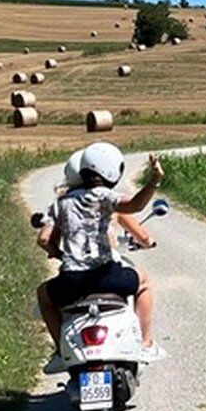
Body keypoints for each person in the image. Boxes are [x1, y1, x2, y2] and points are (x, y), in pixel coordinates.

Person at [36, 142, 166, 365]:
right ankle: (145, 344)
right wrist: (153, 181)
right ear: (111, 169)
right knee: (144, 282)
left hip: (71, 281)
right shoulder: (104, 196)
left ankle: (60, 352)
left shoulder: (61, 203)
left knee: (43, 295)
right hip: (105, 276)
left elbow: (44, 239)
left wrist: (60, 255)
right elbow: (135, 205)